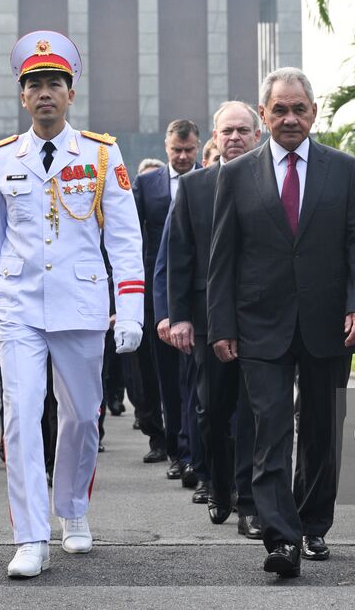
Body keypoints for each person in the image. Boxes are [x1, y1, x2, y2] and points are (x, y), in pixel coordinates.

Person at [0, 30, 145, 578]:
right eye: (34, 84)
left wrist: (131, 309)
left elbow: (125, 238)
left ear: (71, 93)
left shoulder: (101, 153)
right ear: (22, 96)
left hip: (81, 303)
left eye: (54, 83)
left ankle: (71, 508)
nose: (44, 92)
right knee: (21, 416)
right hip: (18, 305)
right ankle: (30, 537)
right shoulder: (2, 158)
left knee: (82, 418)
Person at [208, 67, 355, 578]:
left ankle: (313, 523)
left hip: (330, 323)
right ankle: (281, 537)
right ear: (263, 115)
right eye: (279, 109)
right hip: (260, 325)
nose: (289, 118)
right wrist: (221, 325)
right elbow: (223, 257)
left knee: (322, 432)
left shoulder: (344, 170)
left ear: (314, 113)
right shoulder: (236, 175)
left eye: (298, 109)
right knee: (271, 430)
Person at [164, 101, 264, 537]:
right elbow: (179, 255)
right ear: (215, 138)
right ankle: (219, 487)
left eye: (243, 130)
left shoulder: (271, 180)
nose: (235, 138)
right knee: (212, 410)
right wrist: (179, 316)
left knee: (255, 412)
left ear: (257, 136)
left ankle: (249, 502)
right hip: (208, 318)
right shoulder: (194, 186)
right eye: (227, 131)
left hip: (261, 315)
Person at [131, 118, 201, 477]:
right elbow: (132, 238)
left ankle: (194, 451)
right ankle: (174, 449)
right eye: (177, 150)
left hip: (197, 289)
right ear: (166, 147)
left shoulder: (210, 178)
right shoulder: (146, 184)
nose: (183, 156)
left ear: (198, 147)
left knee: (196, 378)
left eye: (189, 150)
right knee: (166, 377)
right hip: (156, 291)